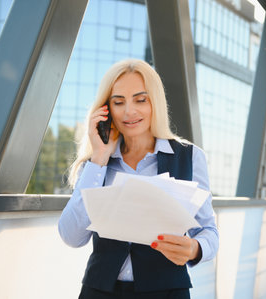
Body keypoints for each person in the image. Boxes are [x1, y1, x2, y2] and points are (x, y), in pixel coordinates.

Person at [58, 58, 218, 298]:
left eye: (140, 100)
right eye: (118, 102)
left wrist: (195, 249)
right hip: (99, 292)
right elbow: (71, 236)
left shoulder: (190, 157)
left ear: (155, 103)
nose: (129, 111)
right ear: (106, 109)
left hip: (167, 292)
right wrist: (99, 158)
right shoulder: (95, 164)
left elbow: (209, 231)